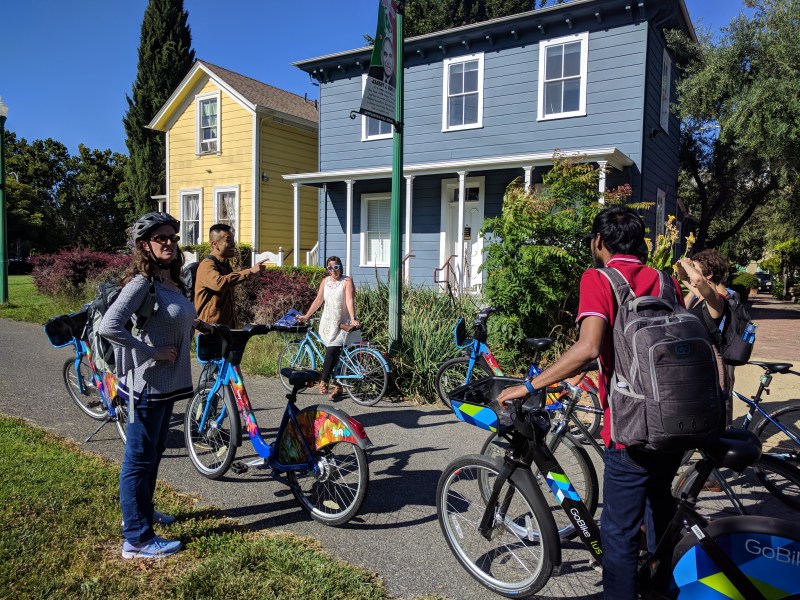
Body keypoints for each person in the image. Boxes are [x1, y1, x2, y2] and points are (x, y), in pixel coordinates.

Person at [498, 206, 686, 599]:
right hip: (675, 418)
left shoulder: (599, 278)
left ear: (598, 241)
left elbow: (588, 347)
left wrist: (530, 385)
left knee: (618, 533)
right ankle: (663, 588)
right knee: (660, 512)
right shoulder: (666, 281)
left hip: (631, 428)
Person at [99, 212, 195, 559]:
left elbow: (171, 319)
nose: (169, 243)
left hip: (167, 384)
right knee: (138, 459)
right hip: (147, 385)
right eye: (161, 238)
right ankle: (136, 539)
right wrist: (151, 351)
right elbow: (109, 326)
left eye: (173, 237)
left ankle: (144, 512)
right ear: (144, 245)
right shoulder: (142, 282)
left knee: (153, 454)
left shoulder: (170, 280)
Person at [676, 248, 734, 421]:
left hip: (712, 360)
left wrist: (688, 265)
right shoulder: (700, 296)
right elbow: (684, 278)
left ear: (708, 275)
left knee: (714, 412)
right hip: (698, 358)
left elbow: (697, 279)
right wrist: (682, 265)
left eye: (695, 268)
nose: (691, 271)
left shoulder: (716, 300)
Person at [297, 256, 360, 398]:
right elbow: (318, 300)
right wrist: (306, 316)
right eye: (330, 267)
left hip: (342, 322)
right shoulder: (325, 281)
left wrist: (353, 318)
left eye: (336, 267)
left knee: (331, 351)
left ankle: (323, 381)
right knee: (336, 355)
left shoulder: (346, 281)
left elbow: (349, 300)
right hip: (328, 322)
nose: (333, 270)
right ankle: (338, 386)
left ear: (340, 267)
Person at [194, 223, 265, 328]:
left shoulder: (225, 264)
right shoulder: (207, 264)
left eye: (233, 240)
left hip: (225, 329)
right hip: (209, 330)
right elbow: (218, 283)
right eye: (228, 240)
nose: (233, 244)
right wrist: (249, 271)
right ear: (215, 244)